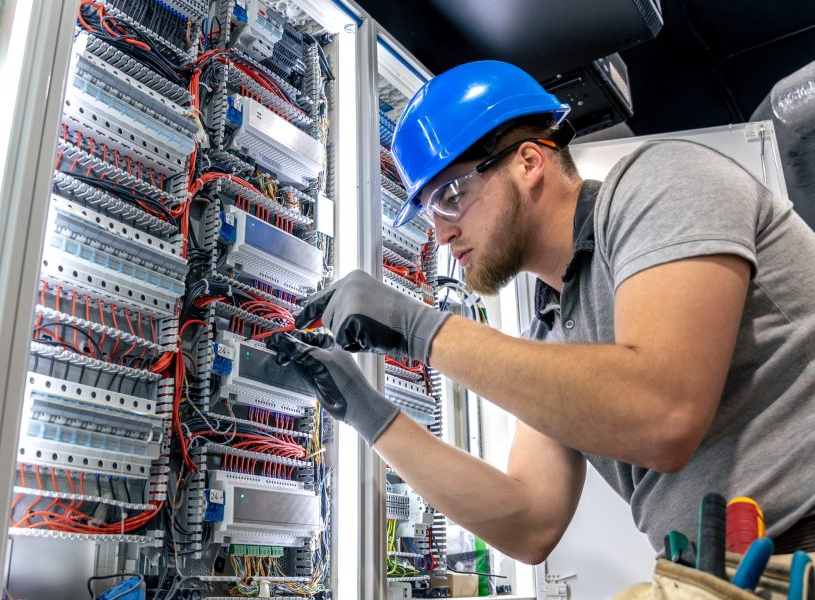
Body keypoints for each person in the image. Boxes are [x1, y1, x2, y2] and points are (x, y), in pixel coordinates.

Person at [268, 60, 815, 562]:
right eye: (429, 212)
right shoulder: (554, 326)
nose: (440, 233)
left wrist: (420, 329)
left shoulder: (661, 183)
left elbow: (664, 411)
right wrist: (365, 411)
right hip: (719, 574)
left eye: (451, 195)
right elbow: (530, 522)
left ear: (530, 161)